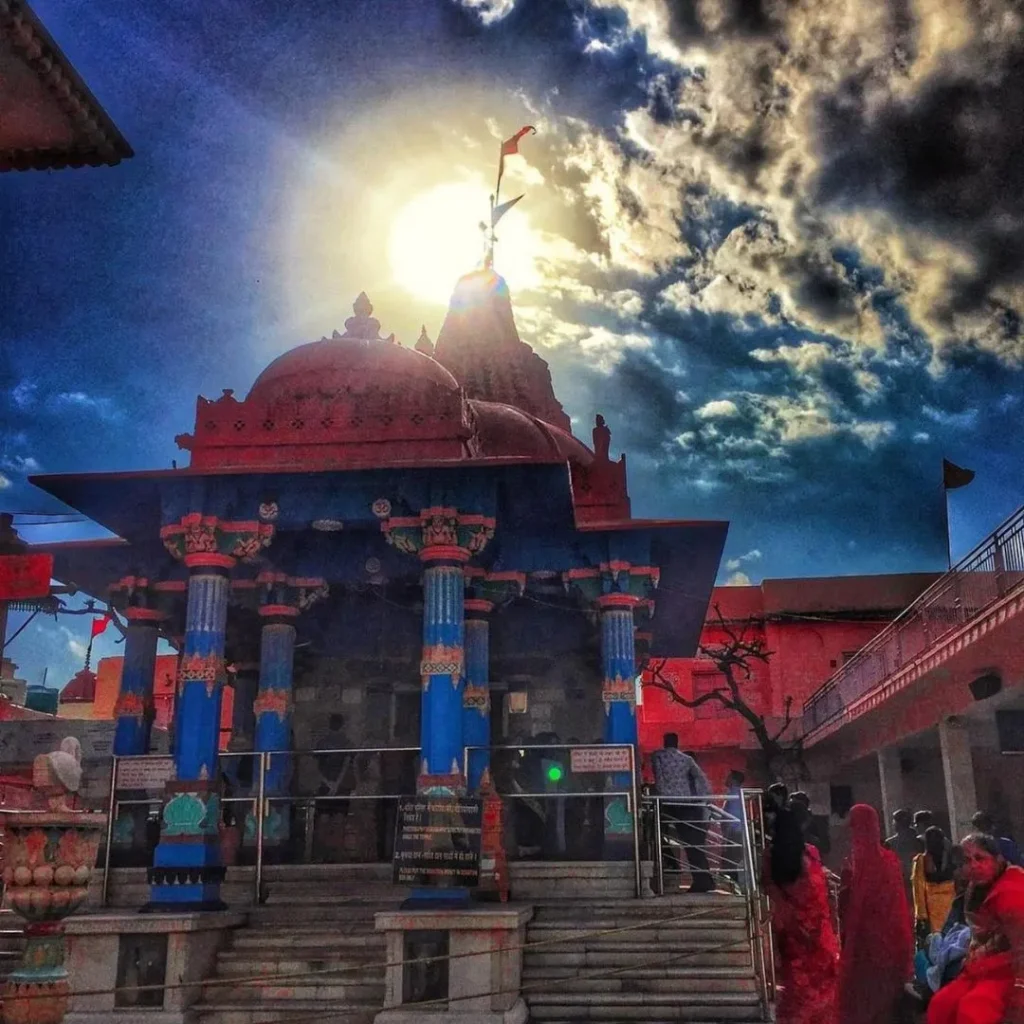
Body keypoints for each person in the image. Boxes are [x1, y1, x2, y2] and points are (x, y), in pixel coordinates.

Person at [926, 832, 1024, 1024]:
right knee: (941, 1004)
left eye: (980, 858)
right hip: (985, 967)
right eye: (967, 860)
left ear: (998, 859)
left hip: (1011, 972)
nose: (974, 866)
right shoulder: (975, 888)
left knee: (973, 1011)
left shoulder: (1012, 892)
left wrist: (1019, 996)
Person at [838, 804, 914, 1024]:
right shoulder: (889, 860)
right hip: (890, 939)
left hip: (865, 943)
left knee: (865, 999)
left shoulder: (857, 862)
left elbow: (851, 903)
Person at [763, 807, 840, 1024]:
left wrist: (793, 926)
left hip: (793, 935)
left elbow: (773, 893)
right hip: (819, 933)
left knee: (797, 986)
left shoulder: (769, 857)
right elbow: (819, 892)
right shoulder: (810, 853)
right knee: (824, 987)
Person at [650, 733, 715, 893]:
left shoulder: (658, 756)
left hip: (667, 803)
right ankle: (704, 879)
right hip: (687, 804)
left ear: (664, 742)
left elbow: (659, 778)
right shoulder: (686, 759)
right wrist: (702, 798)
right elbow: (702, 779)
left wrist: (662, 797)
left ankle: (679, 872)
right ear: (677, 743)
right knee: (693, 844)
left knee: (659, 836)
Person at [914, 826, 959, 940]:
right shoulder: (951, 857)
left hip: (933, 904)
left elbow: (918, 887)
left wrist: (920, 915)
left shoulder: (922, 859)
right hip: (950, 902)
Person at [887, 808, 926, 900]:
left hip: (900, 882)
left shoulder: (890, 843)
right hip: (918, 880)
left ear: (898, 823)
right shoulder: (919, 841)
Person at [723, 770, 746, 885]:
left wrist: (726, 835)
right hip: (736, 831)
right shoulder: (734, 794)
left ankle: (736, 886)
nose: (726, 779)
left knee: (732, 860)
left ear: (734, 780)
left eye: (729, 777)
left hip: (735, 832)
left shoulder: (734, 794)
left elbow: (732, 817)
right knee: (732, 860)